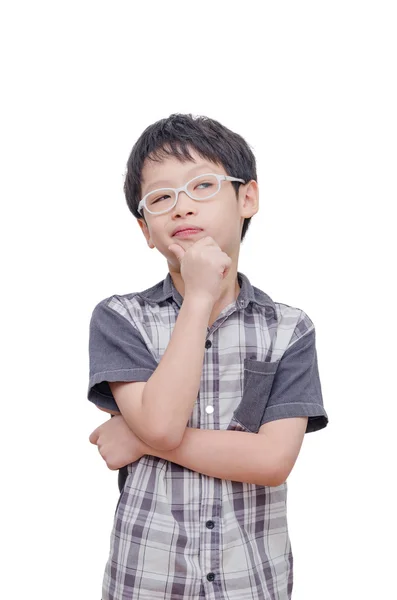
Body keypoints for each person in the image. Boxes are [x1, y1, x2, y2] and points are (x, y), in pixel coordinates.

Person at [87, 113, 329, 600]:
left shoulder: (289, 329)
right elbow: (159, 424)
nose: (181, 208)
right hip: (147, 580)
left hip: (252, 581)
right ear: (145, 230)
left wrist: (138, 441)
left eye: (202, 186)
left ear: (247, 198)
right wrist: (198, 299)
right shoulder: (121, 317)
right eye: (160, 198)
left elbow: (272, 460)